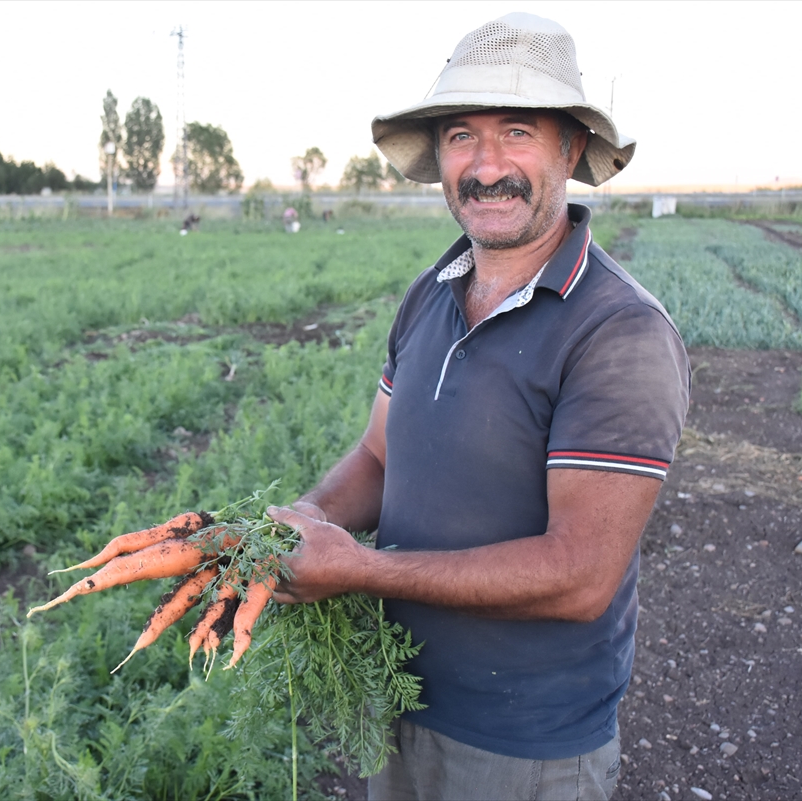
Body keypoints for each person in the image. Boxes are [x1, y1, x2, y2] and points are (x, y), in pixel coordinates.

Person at [266, 12, 690, 801]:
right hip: (393, 693)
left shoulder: (620, 331)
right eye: (462, 135)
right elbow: (378, 455)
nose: (486, 165)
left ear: (569, 149)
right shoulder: (430, 293)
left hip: (521, 742)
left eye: (518, 132)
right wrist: (309, 514)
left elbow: (580, 575)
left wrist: (358, 568)